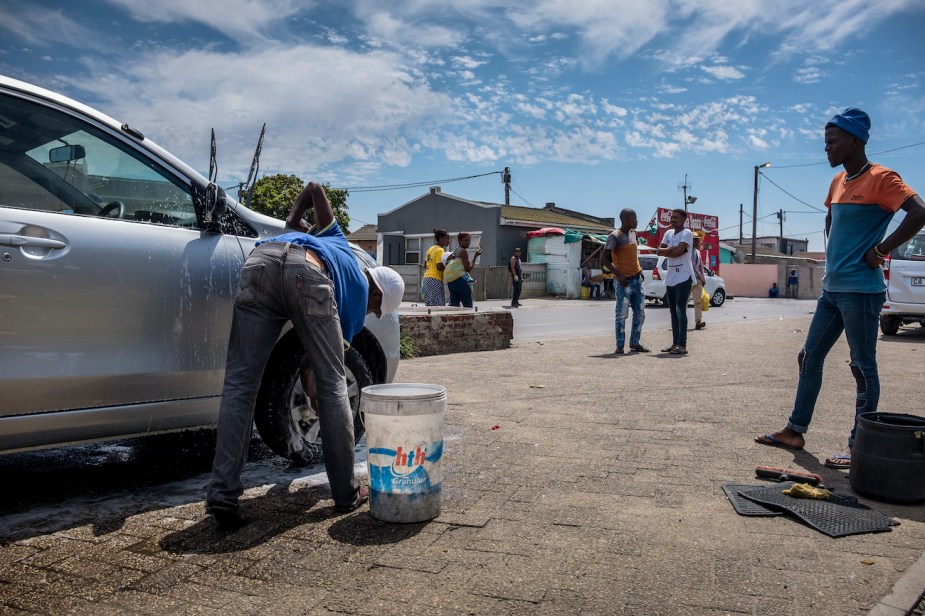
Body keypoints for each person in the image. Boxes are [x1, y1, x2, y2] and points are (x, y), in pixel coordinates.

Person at [206, 181, 406, 530]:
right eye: (378, 308)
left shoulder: (336, 238)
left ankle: (223, 493)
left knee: (240, 382)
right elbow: (324, 374)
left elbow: (314, 188)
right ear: (376, 291)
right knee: (334, 386)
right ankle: (346, 493)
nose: (372, 314)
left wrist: (292, 220)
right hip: (309, 274)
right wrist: (318, 400)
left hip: (259, 262)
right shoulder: (357, 301)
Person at [755, 108, 925, 469]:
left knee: (862, 367)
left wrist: (879, 249)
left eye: (833, 141)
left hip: (862, 292)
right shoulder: (837, 182)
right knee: (809, 357)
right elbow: (831, 216)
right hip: (832, 291)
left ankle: (858, 444)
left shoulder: (882, 178)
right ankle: (795, 430)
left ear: (856, 140)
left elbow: (919, 212)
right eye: (825, 141)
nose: (827, 148)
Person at [602, 208, 649, 354]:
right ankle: (620, 346)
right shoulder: (614, 236)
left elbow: (632, 256)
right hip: (624, 283)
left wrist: (639, 271)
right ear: (625, 220)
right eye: (634, 218)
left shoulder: (633, 234)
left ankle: (635, 343)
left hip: (637, 279)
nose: (636, 221)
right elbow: (603, 258)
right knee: (621, 315)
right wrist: (618, 275)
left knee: (640, 313)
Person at [656, 209, 694, 355]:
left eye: (676, 218)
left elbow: (679, 252)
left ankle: (682, 345)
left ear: (684, 219)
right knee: (673, 312)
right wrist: (672, 249)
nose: (673, 220)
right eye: (672, 217)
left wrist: (670, 250)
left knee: (680, 310)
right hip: (671, 275)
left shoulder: (687, 233)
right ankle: (674, 343)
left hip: (684, 275)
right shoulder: (668, 233)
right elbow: (659, 252)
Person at [447, 232, 480, 308]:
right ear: (459, 240)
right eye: (466, 240)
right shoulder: (463, 251)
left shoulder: (456, 250)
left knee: (454, 308)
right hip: (460, 281)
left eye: (469, 240)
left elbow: (449, 260)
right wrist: (475, 256)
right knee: (468, 307)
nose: (468, 242)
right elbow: (468, 269)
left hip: (451, 281)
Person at [422, 229, 450, 306]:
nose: (448, 241)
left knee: (430, 302)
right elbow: (439, 266)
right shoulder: (440, 250)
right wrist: (449, 270)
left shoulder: (430, 249)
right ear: (440, 238)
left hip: (426, 278)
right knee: (438, 304)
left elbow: (425, 265)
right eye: (447, 238)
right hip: (435, 279)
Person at [688, 231, 707, 330]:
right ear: (692, 241)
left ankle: (698, 322)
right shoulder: (685, 251)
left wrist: (703, 278)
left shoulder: (698, 252)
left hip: (698, 279)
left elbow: (700, 266)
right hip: (687, 279)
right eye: (697, 241)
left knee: (698, 301)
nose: (699, 243)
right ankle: (680, 322)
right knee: (684, 302)